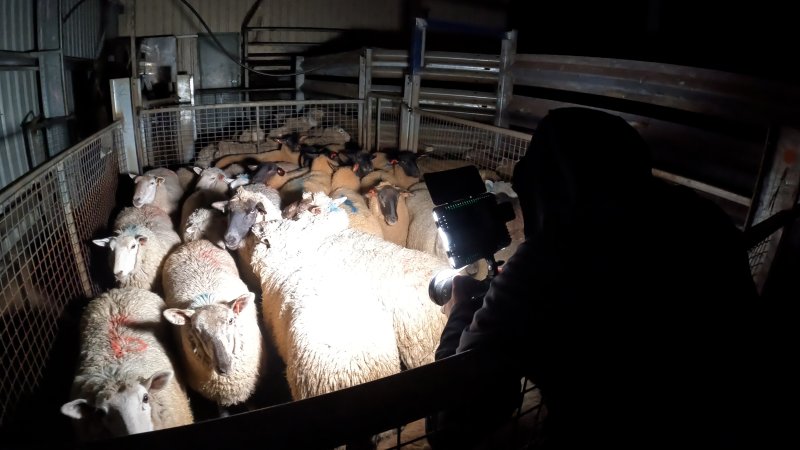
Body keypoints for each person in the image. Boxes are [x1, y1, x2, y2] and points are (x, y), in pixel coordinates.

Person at [429, 107, 768, 449]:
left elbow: (457, 420)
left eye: (528, 192)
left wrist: (460, 310)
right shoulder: (703, 220)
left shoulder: (552, 258)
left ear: (549, 186)